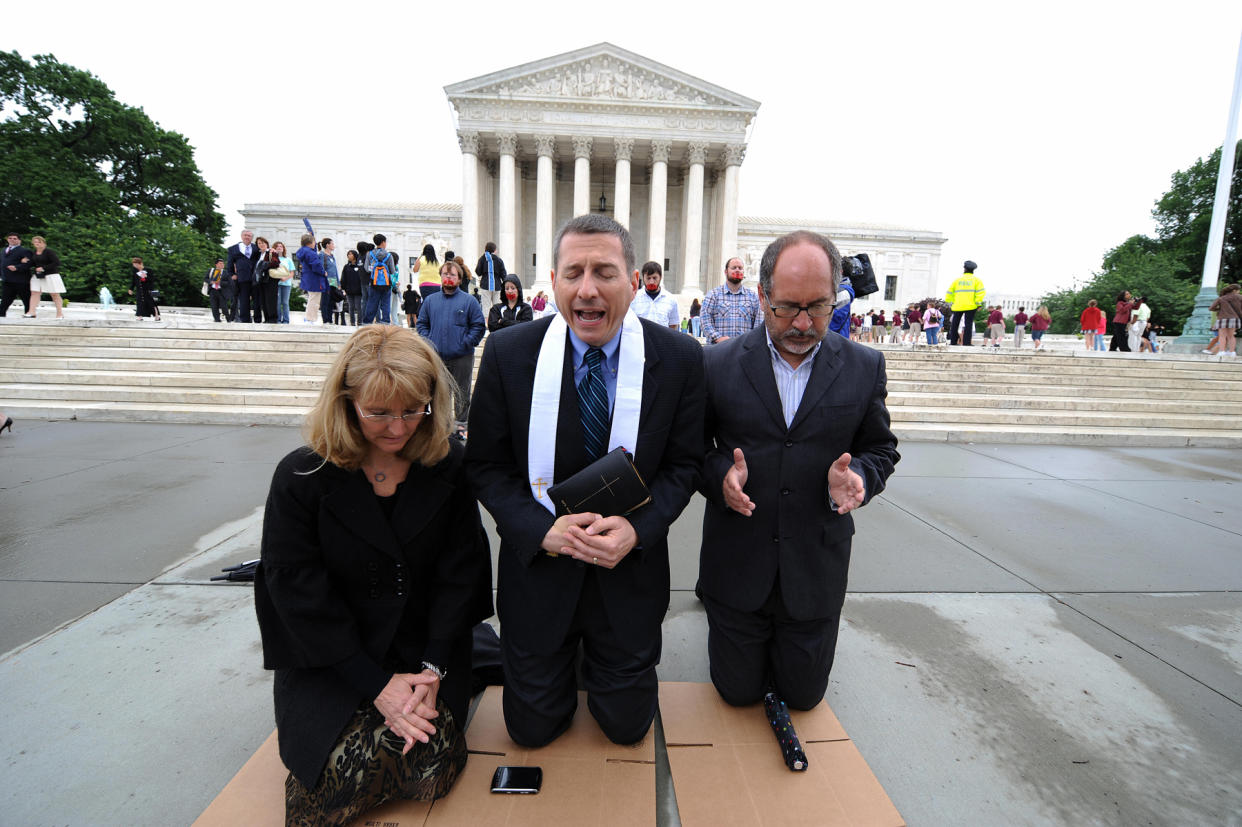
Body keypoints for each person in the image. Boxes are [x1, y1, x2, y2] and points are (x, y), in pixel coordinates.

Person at [466, 213, 705, 748]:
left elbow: (685, 465)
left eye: (605, 272)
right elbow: (485, 465)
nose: (588, 289)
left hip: (628, 576)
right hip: (541, 571)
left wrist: (639, 529)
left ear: (633, 279)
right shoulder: (509, 354)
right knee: (531, 732)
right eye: (573, 272)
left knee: (626, 730)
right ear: (552, 281)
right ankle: (534, 654)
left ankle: (599, 658)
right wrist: (538, 529)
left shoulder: (680, 359)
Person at [254, 324, 492, 826]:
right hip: (333, 658)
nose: (399, 428)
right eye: (378, 413)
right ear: (345, 402)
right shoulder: (301, 478)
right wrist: (377, 684)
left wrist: (433, 669)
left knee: (428, 762)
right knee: (332, 783)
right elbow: (297, 594)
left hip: (423, 650)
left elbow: (461, 571)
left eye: (413, 410)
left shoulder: (447, 464)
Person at [698, 229, 899, 713]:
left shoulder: (864, 367)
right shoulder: (714, 365)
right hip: (738, 564)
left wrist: (860, 481)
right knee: (737, 694)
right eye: (787, 307)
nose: (804, 323)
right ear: (762, 296)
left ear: (836, 299)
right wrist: (720, 476)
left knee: (803, 699)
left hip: (814, 570)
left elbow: (880, 448)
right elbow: (691, 451)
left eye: (819, 307)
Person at [417, 259, 484, 438]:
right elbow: (422, 324)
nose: (448, 277)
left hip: (462, 356)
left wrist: (467, 342)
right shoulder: (430, 301)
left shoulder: (469, 301)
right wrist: (429, 341)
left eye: (452, 275)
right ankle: (442, 426)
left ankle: (461, 425)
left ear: (459, 279)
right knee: (440, 393)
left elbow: (478, 325)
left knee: (462, 392)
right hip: (437, 357)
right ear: (441, 276)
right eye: (445, 274)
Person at [701, 256, 762, 344]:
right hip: (718, 349)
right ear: (726, 272)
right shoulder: (713, 295)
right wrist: (718, 338)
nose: (737, 270)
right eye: (734, 268)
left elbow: (758, 324)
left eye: (740, 268)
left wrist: (750, 342)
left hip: (744, 350)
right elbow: (705, 321)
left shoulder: (753, 297)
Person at [945, 260, 985, 346]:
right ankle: (967, 343)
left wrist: (950, 302)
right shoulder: (977, 281)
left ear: (964, 269)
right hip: (971, 306)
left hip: (958, 305)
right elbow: (980, 293)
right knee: (968, 324)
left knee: (955, 324)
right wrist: (978, 304)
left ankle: (953, 342)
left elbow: (949, 292)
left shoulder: (957, 280)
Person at [630, 261, 679, 328]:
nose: (651, 282)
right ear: (643, 278)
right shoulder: (633, 298)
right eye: (648, 278)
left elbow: (673, 326)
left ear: (660, 277)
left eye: (654, 278)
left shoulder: (671, 300)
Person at [226, 230, 261, 323]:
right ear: (241, 236)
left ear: (251, 238)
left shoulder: (256, 248)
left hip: (255, 278)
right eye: (245, 235)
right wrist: (232, 274)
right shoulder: (233, 248)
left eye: (249, 236)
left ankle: (257, 320)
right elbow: (229, 263)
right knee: (244, 300)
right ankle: (245, 320)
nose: (247, 237)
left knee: (257, 299)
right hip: (242, 278)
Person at [27, 236, 66, 319]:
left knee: (54, 294)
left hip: (51, 275)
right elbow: (33, 263)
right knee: (34, 292)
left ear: (44, 243)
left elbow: (57, 262)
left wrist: (44, 268)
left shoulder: (49, 252)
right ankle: (31, 312)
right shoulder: (34, 253)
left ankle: (60, 314)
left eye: (39, 242)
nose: (37, 243)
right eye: (35, 242)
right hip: (38, 275)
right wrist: (25, 261)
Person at [296, 233, 328, 324]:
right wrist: (323, 272)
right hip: (315, 279)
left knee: (311, 298)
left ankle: (309, 317)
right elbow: (316, 265)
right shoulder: (311, 253)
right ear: (310, 243)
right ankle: (311, 319)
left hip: (308, 277)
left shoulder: (302, 251)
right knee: (315, 300)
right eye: (314, 241)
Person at [1203, 283, 1242, 357]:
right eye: (1238, 290)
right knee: (1231, 336)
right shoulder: (1240, 297)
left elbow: (1211, 308)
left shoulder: (1222, 298)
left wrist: (1219, 309)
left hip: (1223, 318)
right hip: (1235, 318)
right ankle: (1232, 352)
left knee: (1222, 336)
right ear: (1234, 290)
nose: (1239, 292)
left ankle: (1222, 351)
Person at [1, 232, 33, 318]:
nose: (12, 240)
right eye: (10, 238)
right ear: (7, 239)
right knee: (5, 300)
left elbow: (29, 263)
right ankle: (1, 317)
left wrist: (17, 267)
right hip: (7, 280)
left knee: (26, 300)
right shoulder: (4, 250)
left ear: (19, 240)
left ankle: (29, 316)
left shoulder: (24, 251)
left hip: (21, 281)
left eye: (15, 238)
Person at [475, 241, 507, 310]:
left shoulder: (482, 259)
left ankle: (486, 320)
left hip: (485, 285)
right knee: (497, 307)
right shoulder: (499, 260)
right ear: (494, 250)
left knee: (486, 307)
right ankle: (496, 320)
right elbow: (504, 275)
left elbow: (478, 272)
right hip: (497, 286)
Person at [271, 241, 295, 324]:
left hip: (286, 284)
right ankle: (277, 320)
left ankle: (286, 320)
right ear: (274, 248)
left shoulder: (288, 260)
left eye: (281, 246)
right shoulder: (272, 259)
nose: (279, 247)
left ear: (283, 248)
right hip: (276, 284)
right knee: (277, 303)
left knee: (285, 302)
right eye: (277, 246)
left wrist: (285, 278)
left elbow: (292, 272)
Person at [341, 249, 366, 325]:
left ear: (355, 255)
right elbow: (343, 278)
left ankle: (360, 321)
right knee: (351, 307)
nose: (349, 255)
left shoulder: (360, 266)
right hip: (349, 290)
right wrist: (343, 288)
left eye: (351, 254)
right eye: (348, 254)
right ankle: (352, 322)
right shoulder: (346, 267)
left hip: (358, 290)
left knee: (359, 307)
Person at [204, 257, 230, 322]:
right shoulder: (211, 270)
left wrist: (220, 282)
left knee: (224, 307)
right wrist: (211, 282)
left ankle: (228, 318)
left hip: (221, 291)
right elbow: (205, 278)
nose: (222, 265)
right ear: (216, 264)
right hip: (212, 291)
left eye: (223, 264)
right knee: (214, 306)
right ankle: (217, 319)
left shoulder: (226, 272)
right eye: (220, 263)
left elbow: (229, 282)